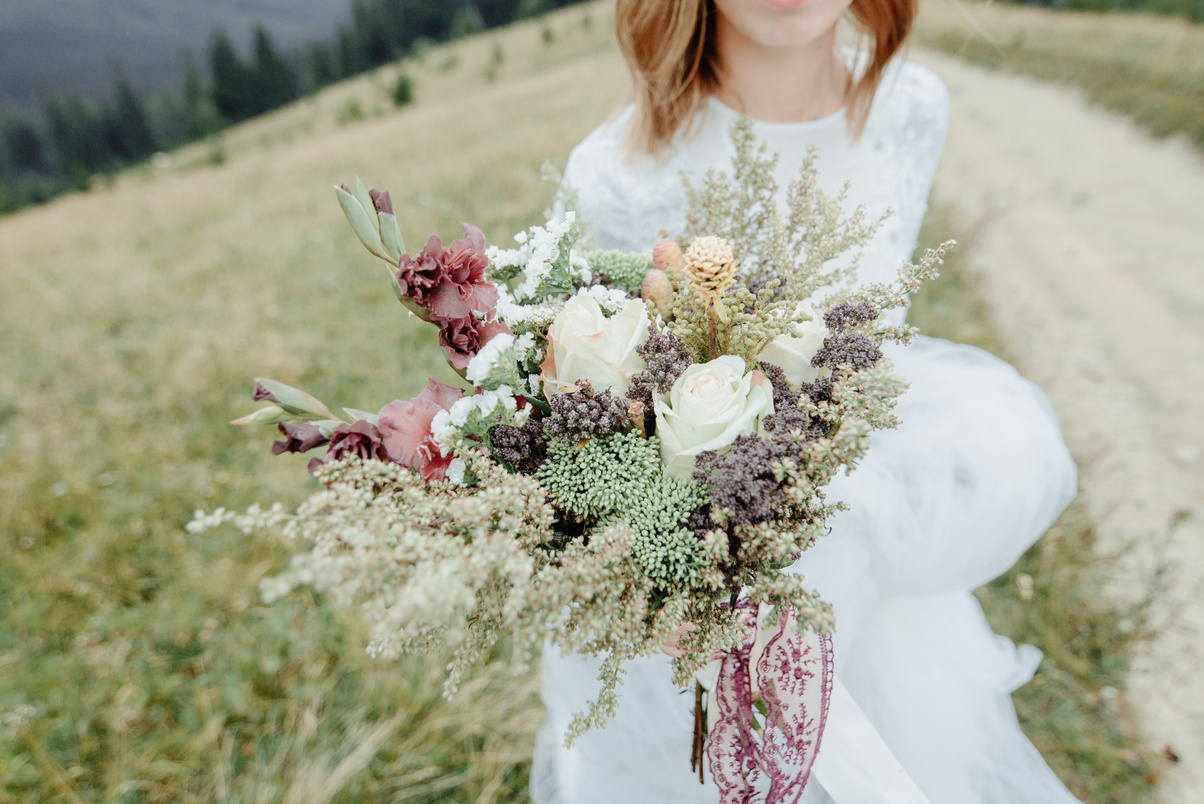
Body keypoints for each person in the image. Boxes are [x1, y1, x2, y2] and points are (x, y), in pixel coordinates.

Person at [531, 1, 1082, 802]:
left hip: (874, 571)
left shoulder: (911, 109)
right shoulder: (615, 173)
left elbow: (878, 334)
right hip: (706, 621)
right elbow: (576, 421)